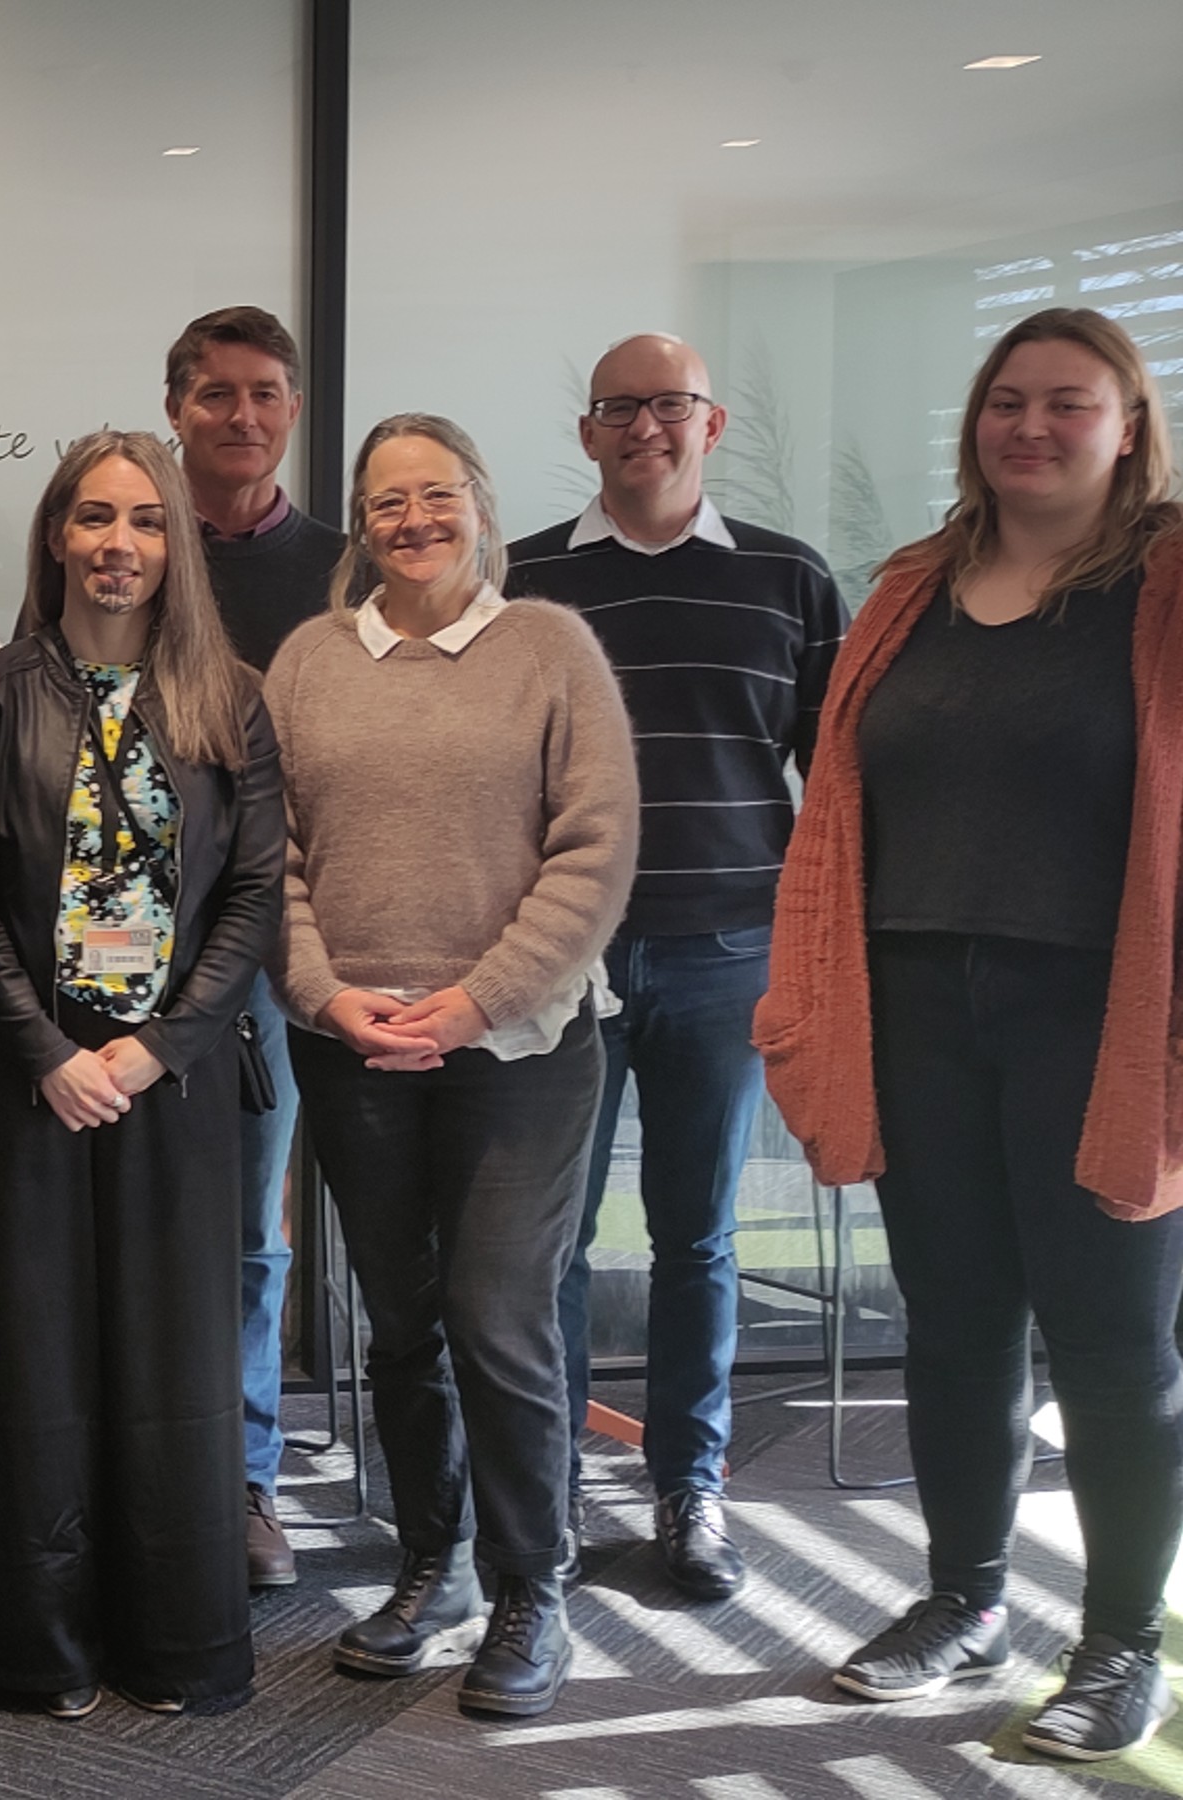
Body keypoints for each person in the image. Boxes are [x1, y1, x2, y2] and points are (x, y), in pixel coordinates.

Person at [757, 307, 1183, 1763]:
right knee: (951, 1328)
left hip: (1097, 1011)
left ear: (1128, 426)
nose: (1034, 428)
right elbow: (843, 792)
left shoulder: (1169, 587)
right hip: (918, 1002)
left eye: (1071, 404)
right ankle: (964, 1601)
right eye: (1010, 401)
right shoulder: (913, 588)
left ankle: (1124, 1639)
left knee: (1114, 1344)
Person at [265, 413, 638, 1721]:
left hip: (523, 1051)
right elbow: (278, 860)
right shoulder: (310, 661)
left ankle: (531, 1585)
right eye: (385, 502)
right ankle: (433, 1564)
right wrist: (322, 991)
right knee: (403, 1324)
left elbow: (595, 849)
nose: (412, 520)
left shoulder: (550, 650)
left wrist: (479, 1001)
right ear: (359, 527)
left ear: (479, 503)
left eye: (435, 495)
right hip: (356, 1051)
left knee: (498, 1318)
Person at [0, 431, 280, 1718]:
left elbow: (249, 896)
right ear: (54, 538)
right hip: (28, 1077)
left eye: (141, 521)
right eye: (91, 519)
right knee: (31, 1360)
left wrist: (156, 1046)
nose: (116, 544)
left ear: (171, 545)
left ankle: (175, 1647)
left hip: (171, 1082)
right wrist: (47, 1051)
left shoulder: (226, 699)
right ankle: (33, 1650)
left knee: (169, 1364)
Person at [507, 334, 845, 1604]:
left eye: (668, 406)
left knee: (697, 1236)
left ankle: (686, 1487)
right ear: (587, 432)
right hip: (561, 966)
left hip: (723, 955)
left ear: (710, 426)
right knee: (547, 1242)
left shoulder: (787, 580)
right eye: (617, 408)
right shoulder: (524, 581)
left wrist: (816, 951)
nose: (643, 426)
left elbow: (838, 787)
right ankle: (541, 1479)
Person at [162, 304, 350, 1590]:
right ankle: (124, 1465)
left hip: (280, 942)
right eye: (216, 393)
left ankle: (240, 1482)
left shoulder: (342, 570)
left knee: (249, 1232)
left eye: (264, 395)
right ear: (175, 404)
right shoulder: (121, 538)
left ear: (291, 410)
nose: (241, 416)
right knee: (114, 1213)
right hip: (116, 944)